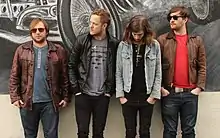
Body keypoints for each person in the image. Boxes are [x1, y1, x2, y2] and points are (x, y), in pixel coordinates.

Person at [9, 18, 71, 138]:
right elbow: (14, 75)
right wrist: (15, 97)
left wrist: (66, 97)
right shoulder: (22, 50)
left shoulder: (58, 51)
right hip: (27, 102)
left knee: (51, 135)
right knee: (30, 135)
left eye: (40, 29)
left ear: (46, 31)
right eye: (34, 30)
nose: (37, 32)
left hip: (50, 103)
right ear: (31, 33)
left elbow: (64, 76)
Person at [68, 9, 119, 138]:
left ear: (104, 26)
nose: (90, 26)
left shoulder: (114, 44)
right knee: (82, 133)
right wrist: (77, 91)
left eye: (94, 24)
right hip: (83, 94)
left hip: (102, 96)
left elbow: (117, 69)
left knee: (98, 133)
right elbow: (71, 66)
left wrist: (108, 92)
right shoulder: (82, 41)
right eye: (90, 22)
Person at [157, 6, 206, 138]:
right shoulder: (162, 40)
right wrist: (161, 88)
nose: (171, 20)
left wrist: (199, 88)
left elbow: (202, 66)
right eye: (170, 18)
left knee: (189, 131)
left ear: (185, 20)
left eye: (175, 17)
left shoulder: (196, 41)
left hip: (190, 94)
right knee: (169, 131)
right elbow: (156, 67)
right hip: (169, 93)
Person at [116, 15, 162, 138]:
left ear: (146, 32)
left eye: (140, 34)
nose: (136, 37)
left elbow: (158, 72)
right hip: (128, 96)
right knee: (130, 132)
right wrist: (121, 96)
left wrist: (153, 96)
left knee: (145, 132)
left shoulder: (154, 45)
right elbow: (118, 72)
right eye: (134, 34)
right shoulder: (123, 45)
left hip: (146, 96)